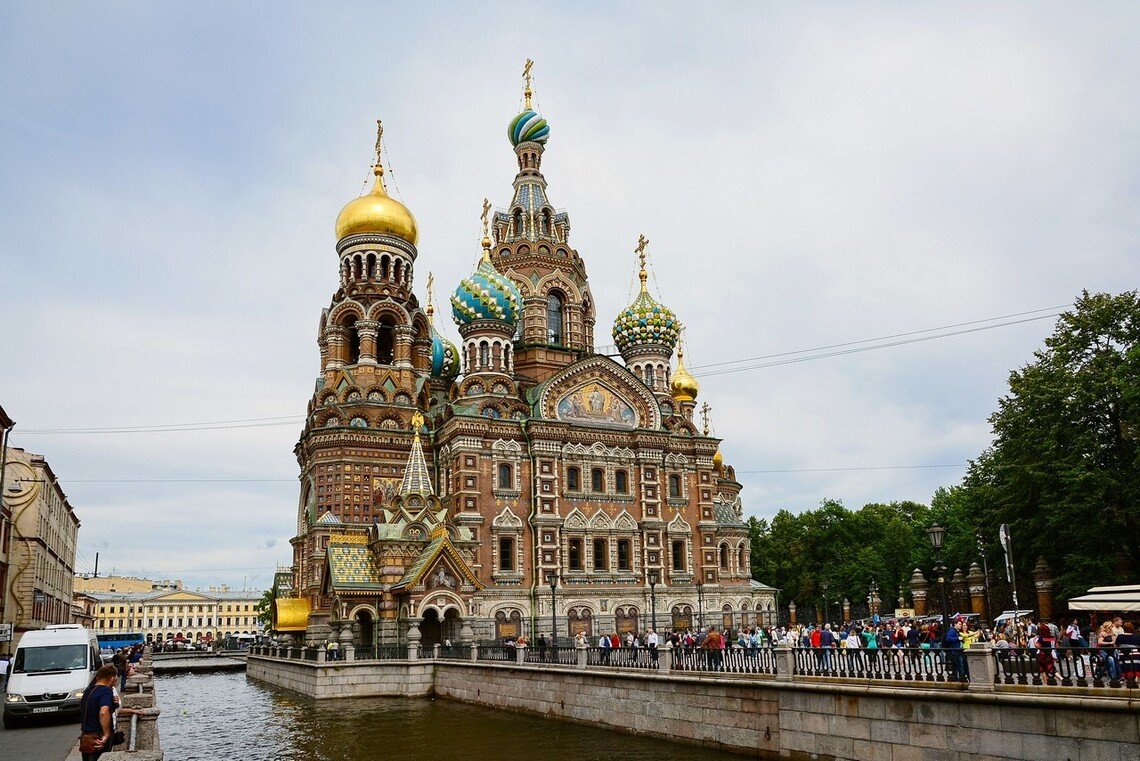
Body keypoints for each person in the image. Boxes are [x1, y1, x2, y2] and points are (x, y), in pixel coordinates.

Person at [79, 665, 119, 761]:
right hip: (98, 737)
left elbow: (92, 708)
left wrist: (113, 704)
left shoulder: (88, 691)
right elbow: (103, 712)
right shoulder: (106, 691)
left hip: (86, 737)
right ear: (112, 678)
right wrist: (106, 734)